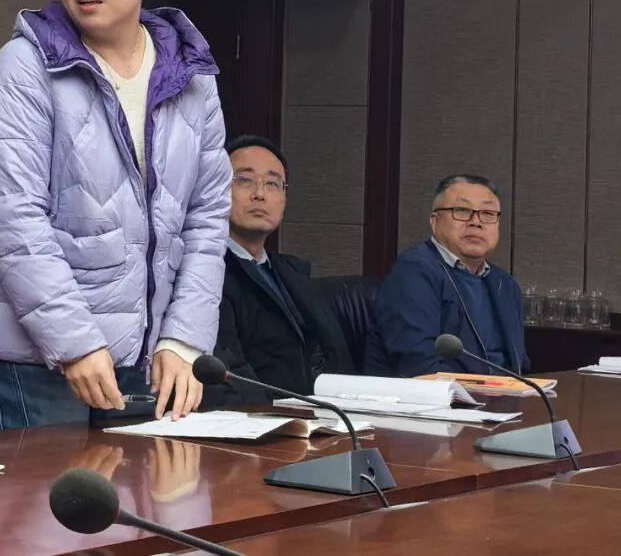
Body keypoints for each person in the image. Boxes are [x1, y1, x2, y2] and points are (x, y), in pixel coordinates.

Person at [0, 0, 231, 430]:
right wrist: (75, 343)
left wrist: (184, 340)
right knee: (42, 489)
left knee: (149, 487)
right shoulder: (26, 64)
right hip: (35, 366)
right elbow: (12, 217)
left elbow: (206, 219)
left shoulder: (192, 77)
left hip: (147, 361)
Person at [210, 135, 353, 405]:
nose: (260, 194)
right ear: (216, 189)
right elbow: (229, 375)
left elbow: (333, 355)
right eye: (245, 180)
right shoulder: (208, 272)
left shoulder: (291, 272)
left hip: (321, 414)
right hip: (261, 419)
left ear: (284, 200)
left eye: (273, 184)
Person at [364, 174, 529, 377]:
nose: (476, 222)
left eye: (487, 213)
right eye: (462, 211)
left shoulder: (504, 284)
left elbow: (519, 366)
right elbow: (419, 365)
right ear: (434, 222)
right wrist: (478, 393)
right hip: (438, 395)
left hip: (502, 394)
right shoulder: (413, 272)